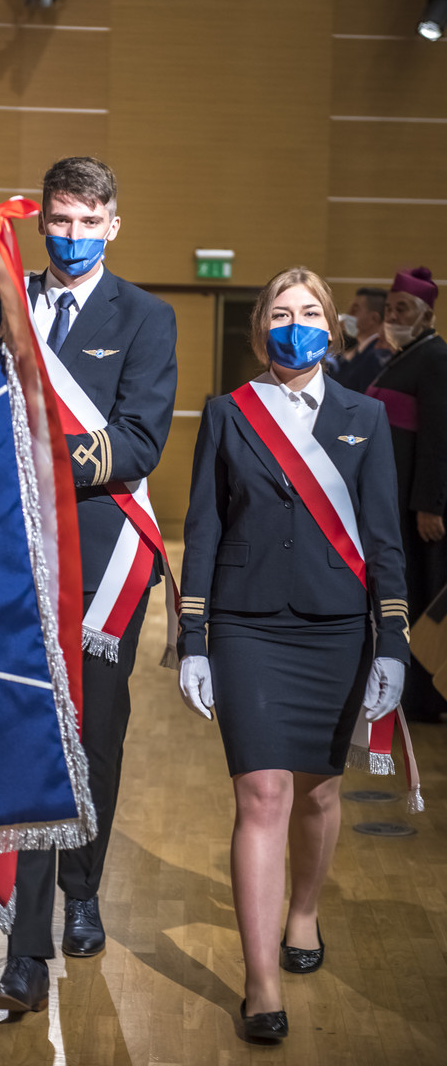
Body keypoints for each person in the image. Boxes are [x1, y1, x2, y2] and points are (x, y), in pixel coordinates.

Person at [177, 267, 409, 1043]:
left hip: (335, 627)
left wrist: (392, 642)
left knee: (316, 794)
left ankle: (302, 912)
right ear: (259, 329)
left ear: (332, 326)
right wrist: (192, 639)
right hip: (246, 626)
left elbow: (383, 538)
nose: (294, 325)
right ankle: (260, 984)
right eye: (280, 313)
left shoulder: (364, 416)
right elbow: (202, 529)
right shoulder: (226, 413)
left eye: (309, 312)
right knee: (261, 795)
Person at [0, 157, 177, 1013]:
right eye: (58, 220)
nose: (72, 236)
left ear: (112, 226)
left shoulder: (147, 317)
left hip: (104, 553)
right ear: (41, 221)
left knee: (94, 736)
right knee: (31, 734)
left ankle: (83, 885)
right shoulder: (6, 298)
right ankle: (24, 952)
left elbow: (139, 439)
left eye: (88, 221)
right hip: (16, 548)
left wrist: (42, 455)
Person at [367, 266, 447, 722]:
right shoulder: (403, 356)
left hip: (415, 507)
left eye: (403, 309)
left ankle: (422, 697)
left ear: (427, 316)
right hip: (392, 500)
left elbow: (439, 437)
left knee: (417, 592)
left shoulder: (435, 357)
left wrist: (429, 505)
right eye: (390, 309)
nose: (393, 316)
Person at [330, 287, 391, 393]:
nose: (348, 314)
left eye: (354, 310)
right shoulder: (360, 351)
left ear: (374, 318)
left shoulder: (376, 357)